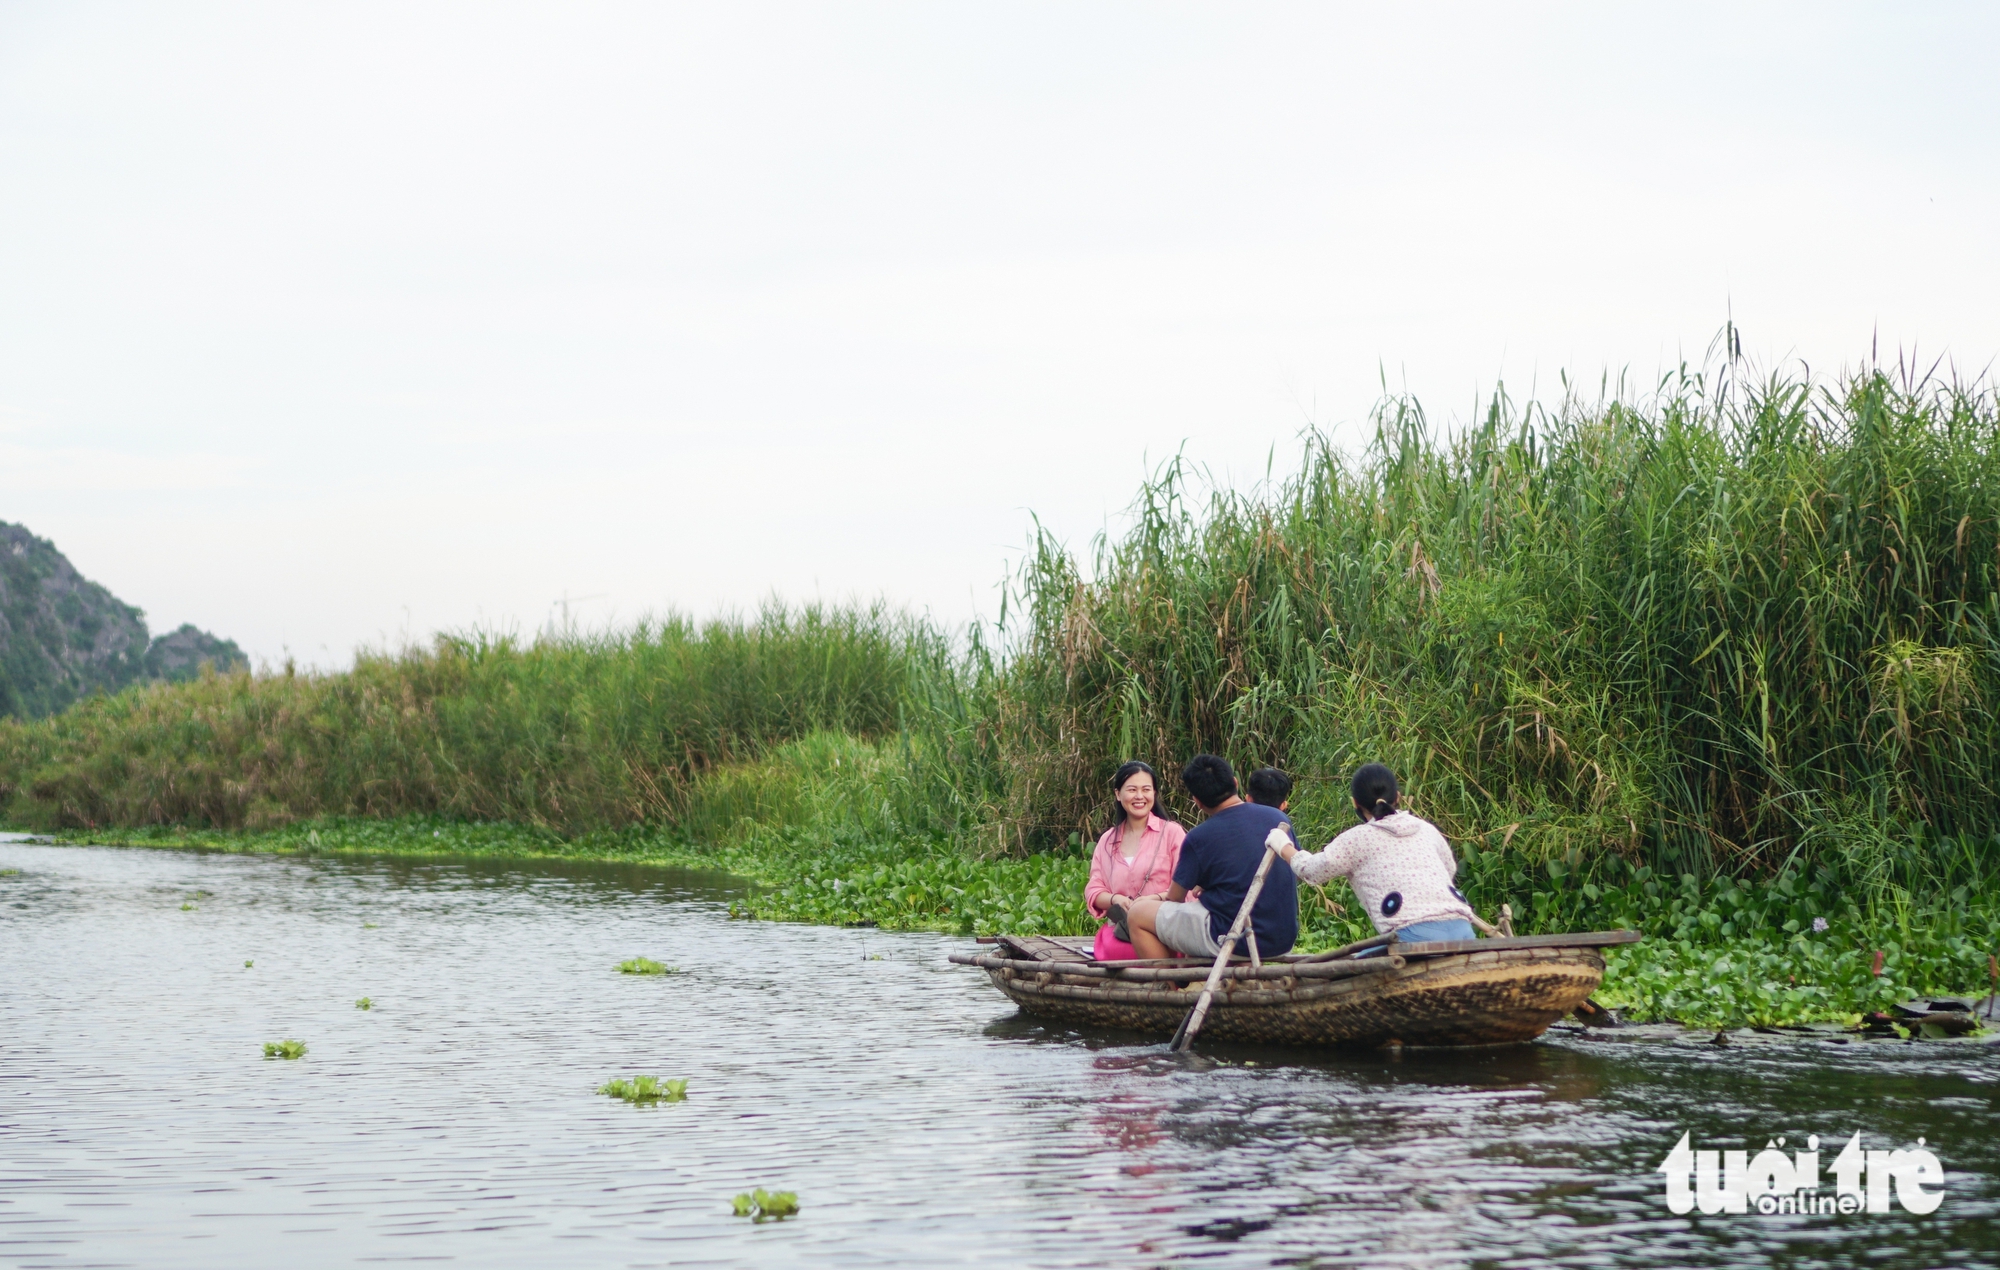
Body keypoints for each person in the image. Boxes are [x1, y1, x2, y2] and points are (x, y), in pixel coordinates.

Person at [1273, 762, 1478, 947]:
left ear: (1355, 803)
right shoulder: (1426, 829)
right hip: (1463, 931)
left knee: (1354, 965)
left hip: (1412, 937)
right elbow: (1449, 869)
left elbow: (1311, 871)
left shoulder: (1357, 839)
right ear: (1397, 797)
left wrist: (1283, 846)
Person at [1124, 754, 1298, 960]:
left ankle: (1169, 987)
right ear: (1235, 782)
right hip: (1283, 939)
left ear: (1197, 801)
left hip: (1234, 940)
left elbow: (1175, 898)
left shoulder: (1199, 837)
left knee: (1137, 915)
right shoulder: (1278, 818)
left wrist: (1153, 898)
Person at [1083, 761, 1187, 960]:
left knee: (1147, 951)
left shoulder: (1172, 834)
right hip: (1121, 932)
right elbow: (1094, 890)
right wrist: (1116, 899)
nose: (1139, 796)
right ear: (1117, 794)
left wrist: (1151, 901)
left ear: (1154, 793)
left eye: (1146, 789)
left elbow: (1186, 889)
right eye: (1132, 789)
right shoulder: (1107, 840)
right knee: (1116, 951)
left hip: (1164, 929)